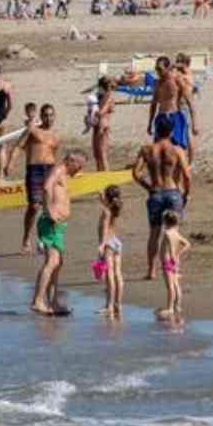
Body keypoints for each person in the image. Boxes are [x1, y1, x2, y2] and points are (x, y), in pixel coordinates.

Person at [132, 115, 192, 280]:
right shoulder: (177, 150)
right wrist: (186, 193)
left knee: (154, 233)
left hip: (156, 193)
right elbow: (187, 175)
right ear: (172, 131)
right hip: (172, 191)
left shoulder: (147, 150)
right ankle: (172, 267)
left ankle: (151, 270)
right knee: (172, 232)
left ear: (157, 130)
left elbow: (135, 173)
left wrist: (148, 187)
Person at [31, 151, 87, 315]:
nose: (79, 170)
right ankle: (37, 301)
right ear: (71, 160)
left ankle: (53, 302)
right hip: (50, 223)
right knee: (52, 262)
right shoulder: (58, 170)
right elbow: (47, 187)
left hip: (58, 225)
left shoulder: (63, 173)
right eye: (79, 166)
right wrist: (49, 211)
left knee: (58, 262)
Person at [7, 103, 60, 255]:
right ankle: (25, 238)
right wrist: (11, 163)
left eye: (51, 115)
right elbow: (18, 146)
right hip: (35, 170)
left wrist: (60, 174)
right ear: (41, 116)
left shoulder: (56, 135)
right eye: (45, 115)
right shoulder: (32, 130)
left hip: (50, 170)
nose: (48, 118)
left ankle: (45, 239)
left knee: (48, 207)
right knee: (34, 207)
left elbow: (54, 155)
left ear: (54, 116)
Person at [147, 56, 198, 158]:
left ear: (167, 68)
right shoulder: (157, 83)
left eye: (160, 69)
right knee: (159, 150)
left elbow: (190, 102)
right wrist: (150, 123)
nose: (158, 72)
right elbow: (153, 104)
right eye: (156, 69)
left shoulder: (177, 80)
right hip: (160, 117)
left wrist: (195, 124)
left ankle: (184, 168)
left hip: (175, 116)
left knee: (178, 148)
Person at [156, 210, 191, 321]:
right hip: (174, 261)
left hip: (168, 261)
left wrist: (173, 255)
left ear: (165, 222)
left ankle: (170, 307)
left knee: (170, 286)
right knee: (175, 284)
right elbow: (187, 244)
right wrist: (178, 254)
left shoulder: (168, 233)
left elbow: (170, 246)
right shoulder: (176, 233)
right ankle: (177, 306)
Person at [96, 185, 124, 317]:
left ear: (108, 198)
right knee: (118, 274)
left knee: (109, 275)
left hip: (108, 243)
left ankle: (109, 306)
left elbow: (105, 228)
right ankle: (118, 303)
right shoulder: (116, 207)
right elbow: (108, 205)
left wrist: (102, 244)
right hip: (117, 243)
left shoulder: (106, 211)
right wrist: (103, 198)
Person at [91, 77, 116, 171]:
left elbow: (101, 112)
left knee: (102, 153)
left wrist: (93, 112)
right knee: (97, 154)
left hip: (103, 127)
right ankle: (99, 175)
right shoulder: (100, 97)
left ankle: (106, 176)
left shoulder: (108, 98)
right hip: (98, 126)